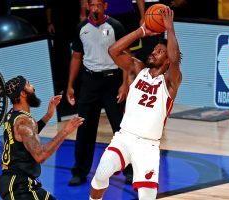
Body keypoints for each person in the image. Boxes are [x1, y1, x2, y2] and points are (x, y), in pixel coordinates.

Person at [90, 6, 182, 200]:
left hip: (147, 146)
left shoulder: (170, 82)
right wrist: (141, 31)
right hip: (124, 137)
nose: (153, 52)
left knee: (147, 196)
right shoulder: (137, 69)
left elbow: (175, 61)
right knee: (101, 173)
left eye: (160, 52)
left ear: (166, 61)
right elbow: (113, 50)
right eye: (155, 49)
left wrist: (170, 29)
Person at [66, 0, 129, 186]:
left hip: (112, 80)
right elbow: (77, 57)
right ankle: (79, 171)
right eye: (92, 5)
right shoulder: (81, 28)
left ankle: (131, 171)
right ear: (87, 7)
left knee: (121, 128)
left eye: (98, 5)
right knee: (84, 128)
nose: (95, 8)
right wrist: (70, 85)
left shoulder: (116, 26)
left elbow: (126, 56)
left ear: (105, 6)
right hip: (90, 81)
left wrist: (125, 84)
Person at [0, 75, 84, 199]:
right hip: (19, 187)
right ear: (23, 93)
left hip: (16, 183)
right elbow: (40, 155)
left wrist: (48, 115)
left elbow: (28, 136)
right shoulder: (24, 122)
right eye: (28, 84)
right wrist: (65, 131)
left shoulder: (11, 115)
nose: (33, 87)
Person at [45, 0, 83, 118]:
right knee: (61, 58)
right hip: (59, 24)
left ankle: (78, 86)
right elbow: (48, 5)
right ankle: (64, 88)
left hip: (75, 23)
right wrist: (50, 22)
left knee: (78, 54)